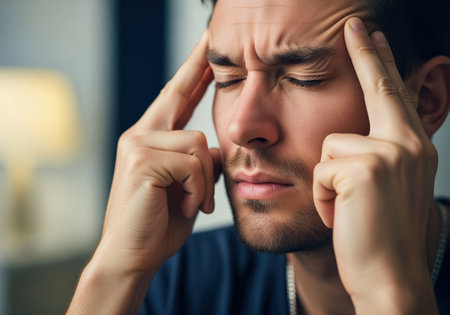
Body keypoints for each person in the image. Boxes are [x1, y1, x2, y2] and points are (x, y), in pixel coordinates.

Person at [67, 0, 450, 314]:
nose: (240, 128)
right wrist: (113, 272)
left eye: (305, 77)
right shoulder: (178, 280)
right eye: (227, 79)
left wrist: (390, 295)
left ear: (425, 100)